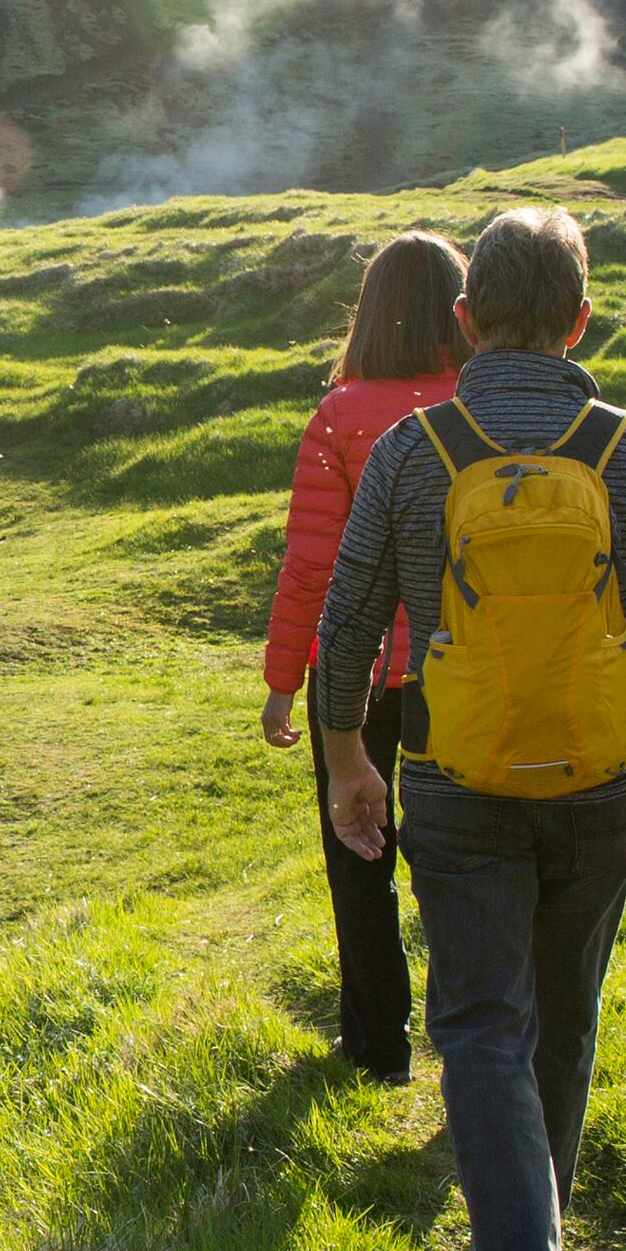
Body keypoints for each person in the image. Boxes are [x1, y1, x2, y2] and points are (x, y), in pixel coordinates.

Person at [311, 205, 626, 1251]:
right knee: (561, 1017)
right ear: (579, 318)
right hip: (602, 783)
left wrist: (351, 760)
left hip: (454, 778)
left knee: (481, 1023)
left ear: (464, 320)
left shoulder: (410, 452)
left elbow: (347, 626)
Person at [258, 231, 466, 1081]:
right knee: (464, 860)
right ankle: (475, 1045)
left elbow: (313, 562)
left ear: (368, 314)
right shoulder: (480, 404)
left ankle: (377, 1048)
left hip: (362, 672)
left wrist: (282, 682)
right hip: (468, 667)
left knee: (359, 851)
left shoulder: (339, 416)